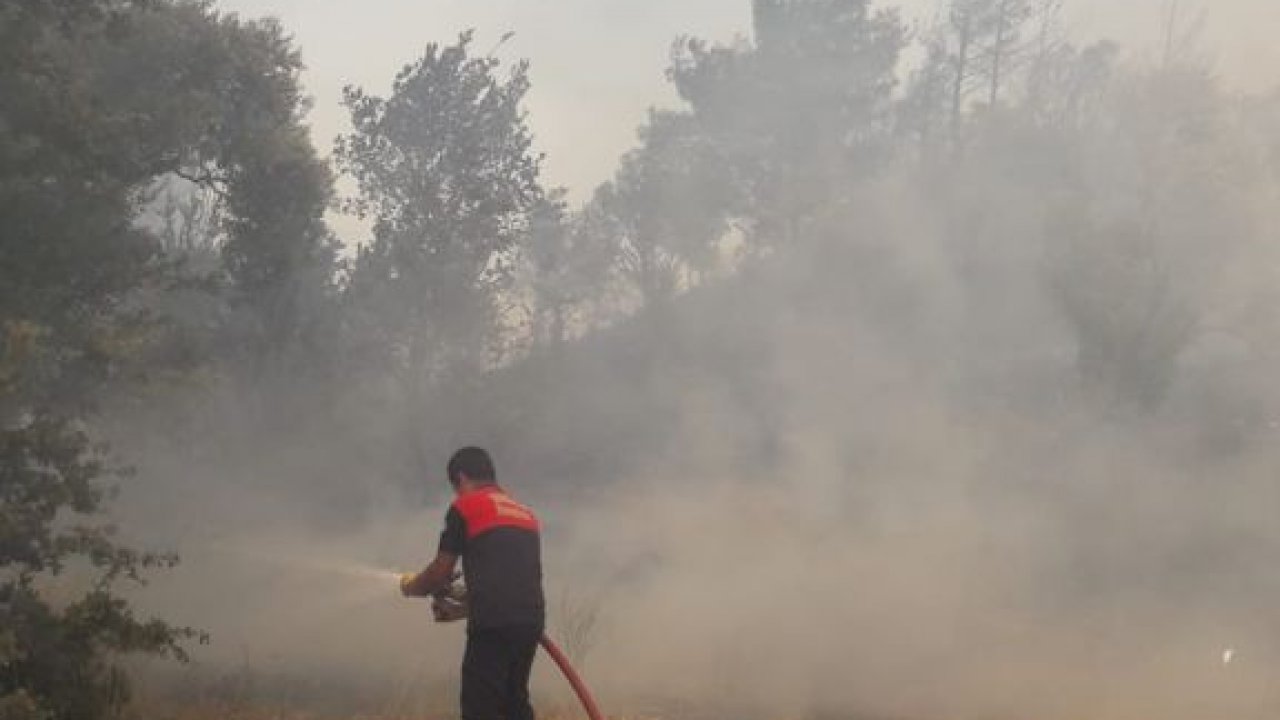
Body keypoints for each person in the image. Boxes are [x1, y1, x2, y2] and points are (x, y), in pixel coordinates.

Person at [400, 447, 545, 720]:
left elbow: (439, 572)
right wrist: (461, 607)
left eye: (455, 487)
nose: (456, 494)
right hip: (531, 622)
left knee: (481, 709)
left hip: (493, 625)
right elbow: (511, 583)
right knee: (514, 703)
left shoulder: (465, 507)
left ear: (462, 478)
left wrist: (412, 587)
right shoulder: (524, 513)